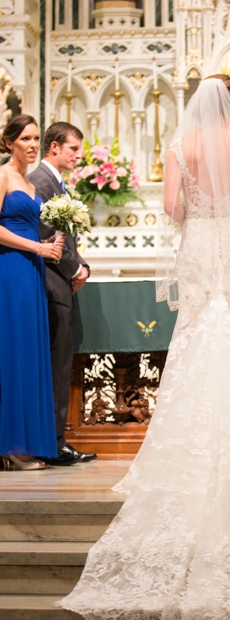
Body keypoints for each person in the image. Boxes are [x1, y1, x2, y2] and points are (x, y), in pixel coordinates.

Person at [58, 79, 230, 620]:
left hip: (201, 246)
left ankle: (188, 440)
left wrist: (202, 208)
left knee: (200, 336)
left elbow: (173, 207)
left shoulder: (181, 147)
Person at [29, 122, 96, 467]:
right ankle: (53, 443)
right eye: (73, 149)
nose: (77, 156)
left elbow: (66, 236)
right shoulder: (41, 181)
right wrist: (74, 269)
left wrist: (79, 262)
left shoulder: (57, 183)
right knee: (55, 364)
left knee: (59, 362)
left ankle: (55, 440)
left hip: (60, 278)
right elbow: (44, 230)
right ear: (54, 146)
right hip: (51, 282)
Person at [0, 114, 63, 471]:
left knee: (29, 352)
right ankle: (11, 443)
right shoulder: (3, 175)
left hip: (31, 269)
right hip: (10, 269)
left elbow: (27, 230)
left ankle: (22, 440)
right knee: (14, 353)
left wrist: (49, 243)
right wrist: (37, 249)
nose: (32, 144)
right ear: (10, 142)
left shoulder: (29, 182)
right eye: (25, 138)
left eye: (36, 138)